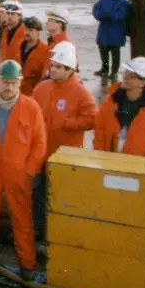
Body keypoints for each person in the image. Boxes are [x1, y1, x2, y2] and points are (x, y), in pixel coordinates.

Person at [0, 60, 47, 283]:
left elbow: (40, 143)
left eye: (14, 83)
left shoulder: (31, 108)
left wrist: (30, 172)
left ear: (20, 83)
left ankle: (27, 264)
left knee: (22, 220)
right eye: (5, 82)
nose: (9, 88)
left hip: (19, 175)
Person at [30, 41, 97, 239]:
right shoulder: (42, 88)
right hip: (41, 154)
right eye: (53, 66)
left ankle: (58, 235)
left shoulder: (80, 92)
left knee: (60, 197)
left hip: (64, 157)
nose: (53, 70)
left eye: (59, 67)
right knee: (38, 195)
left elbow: (93, 118)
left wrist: (68, 123)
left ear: (70, 70)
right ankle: (38, 231)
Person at [93, 57, 145, 158]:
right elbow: (99, 129)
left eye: (132, 75)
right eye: (126, 72)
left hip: (141, 167)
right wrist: (100, 156)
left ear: (143, 83)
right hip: (109, 162)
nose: (126, 77)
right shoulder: (112, 99)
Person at [92, 0, 130, 80]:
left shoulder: (124, 2)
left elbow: (123, 14)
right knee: (103, 49)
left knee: (115, 51)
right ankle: (104, 68)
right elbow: (96, 9)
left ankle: (114, 71)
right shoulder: (103, 0)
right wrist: (100, 15)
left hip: (116, 30)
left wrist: (111, 16)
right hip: (104, 29)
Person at [19, 17, 50, 96]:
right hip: (16, 90)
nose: (27, 32)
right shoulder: (18, 45)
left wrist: (36, 93)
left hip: (32, 93)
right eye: (26, 29)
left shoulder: (45, 50)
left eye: (31, 30)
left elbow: (44, 77)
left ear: (38, 32)